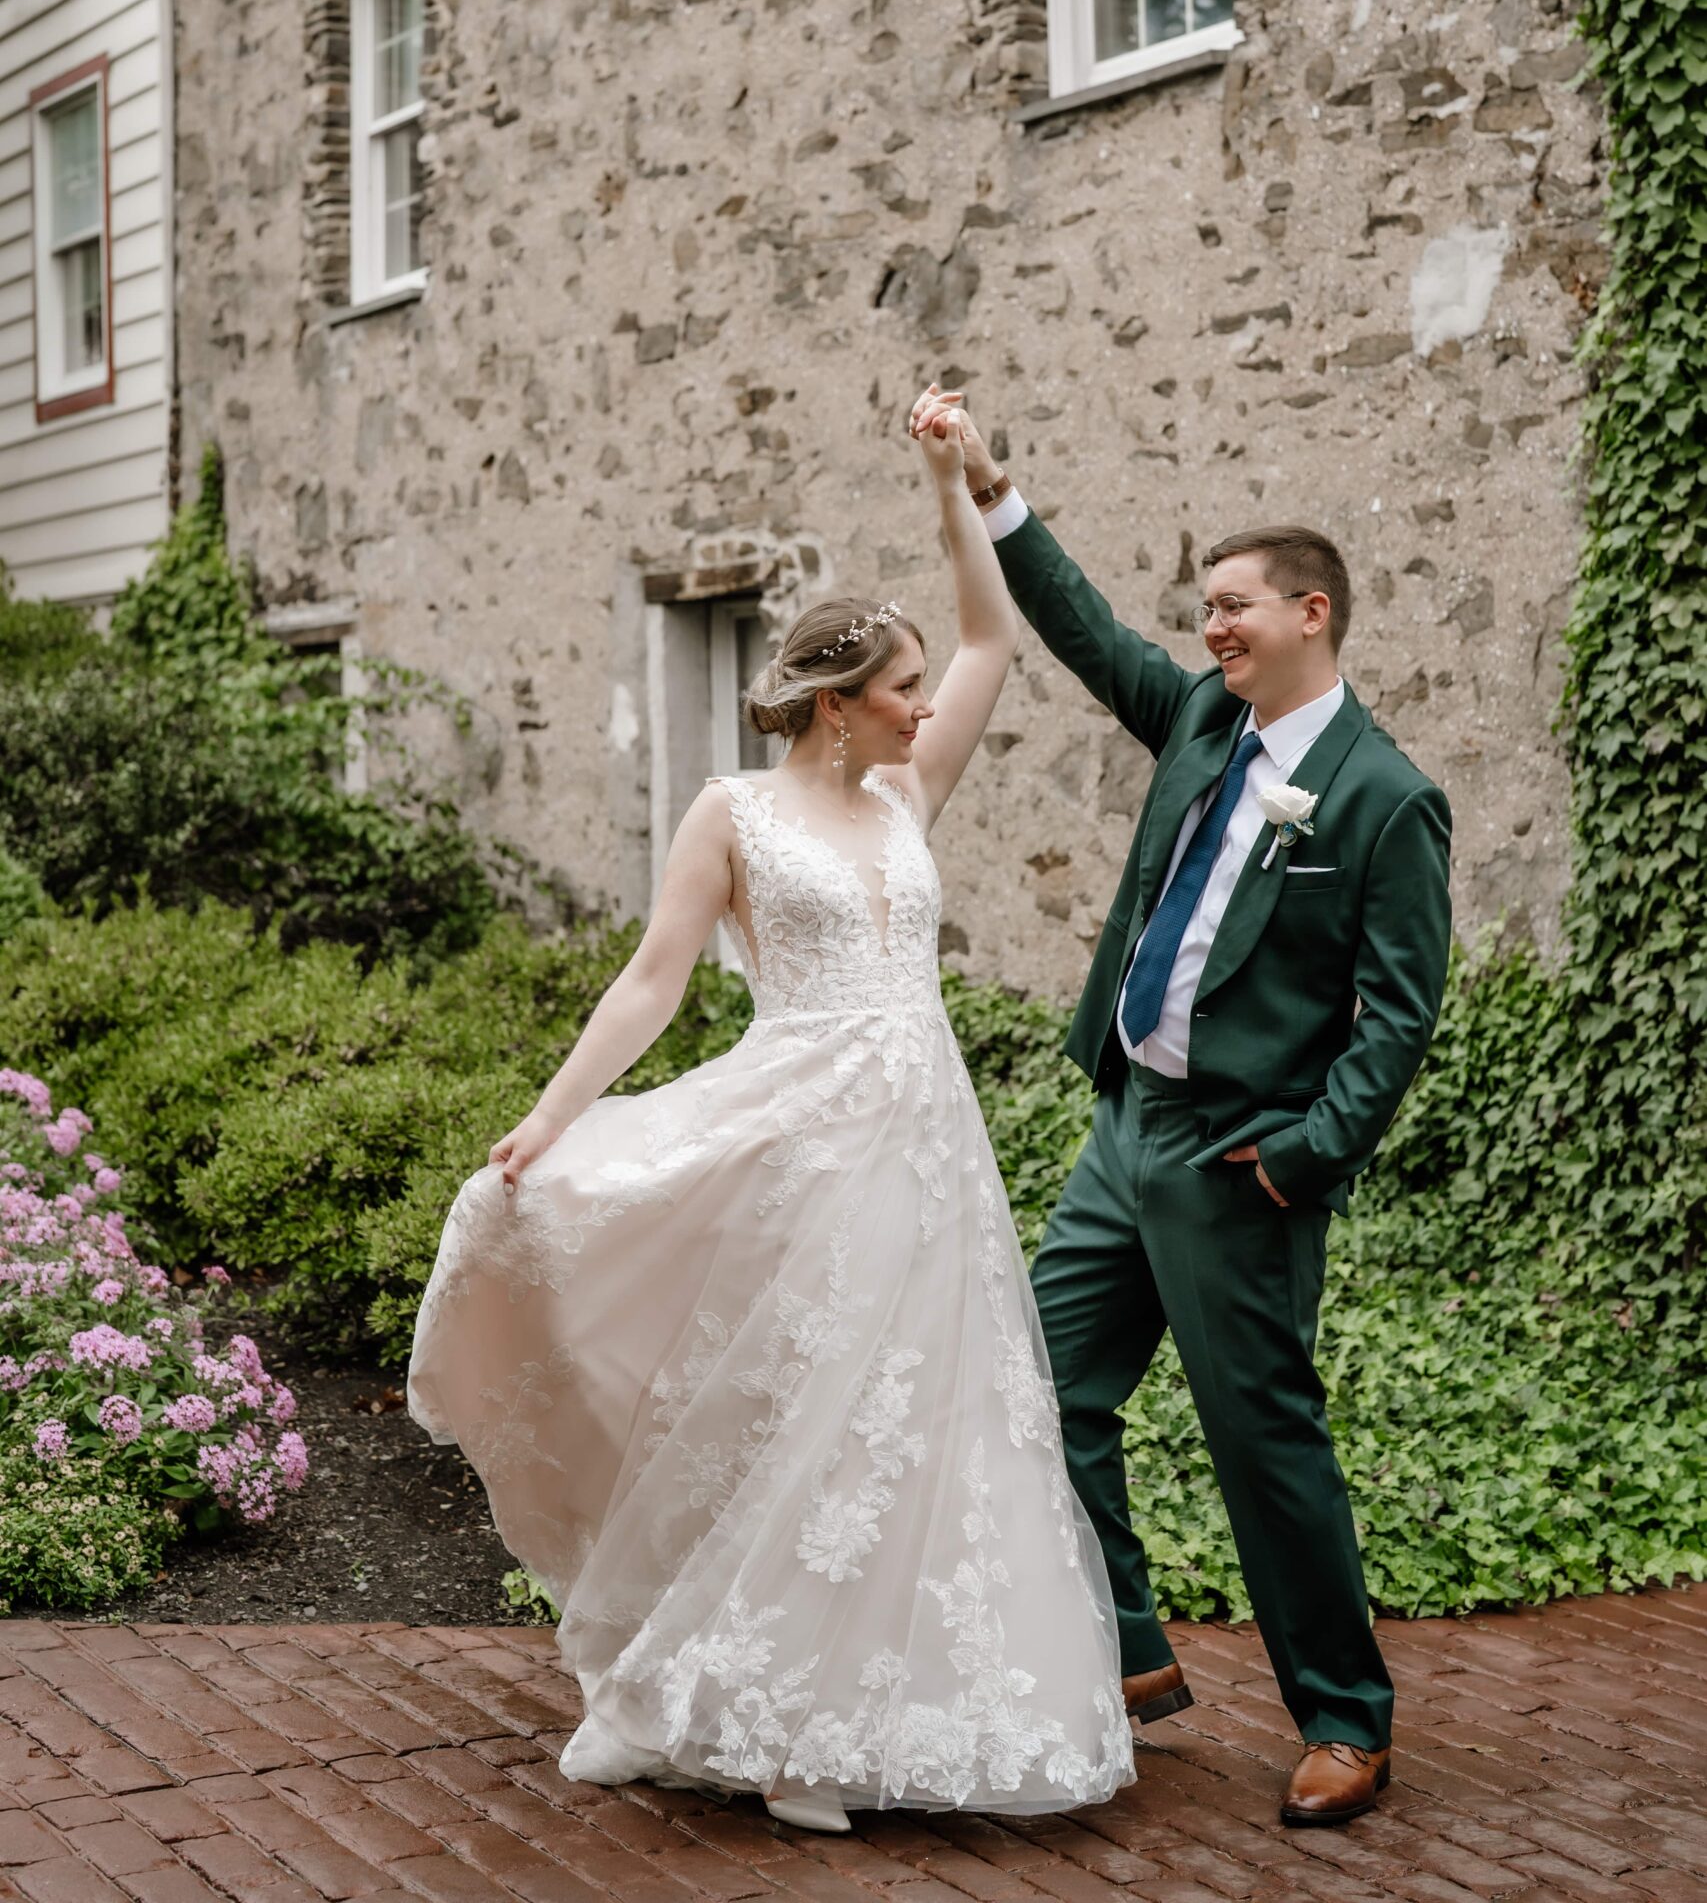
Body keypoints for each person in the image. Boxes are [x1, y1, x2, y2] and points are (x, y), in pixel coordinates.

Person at [406, 407, 1132, 1831]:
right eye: (902, 687)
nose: (928, 705)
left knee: (916, 1422)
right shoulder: (732, 815)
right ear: (839, 699)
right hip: (798, 1130)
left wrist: (952, 485)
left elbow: (995, 643)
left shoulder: (911, 791)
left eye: (923, 688)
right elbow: (653, 980)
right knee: (804, 1414)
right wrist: (554, 1121)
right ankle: (749, 1723)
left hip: (927, 1141)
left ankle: (854, 1706)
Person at [910, 382, 1452, 1831]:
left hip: (1239, 1165)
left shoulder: (1383, 799)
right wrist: (988, 485)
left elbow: (1398, 1017)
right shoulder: (1207, 723)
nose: (1212, 629)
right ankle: (1136, 1651)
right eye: (1207, 608)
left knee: (1263, 1446)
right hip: (1124, 1133)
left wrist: (1305, 1160)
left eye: (1237, 608)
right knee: (1042, 1396)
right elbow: (1087, 632)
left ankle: (1347, 1719)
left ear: (1314, 615)